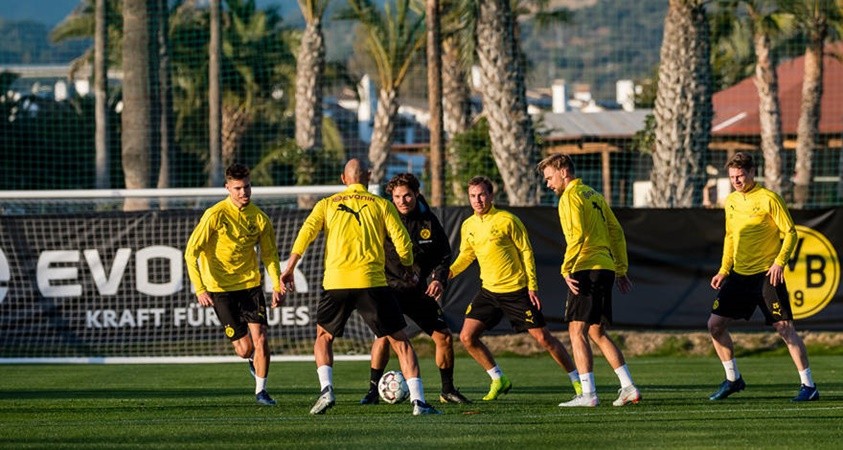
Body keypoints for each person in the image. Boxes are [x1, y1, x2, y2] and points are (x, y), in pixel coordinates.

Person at [280, 159, 441, 415]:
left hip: (336, 283)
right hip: (372, 283)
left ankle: (327, 390)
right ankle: (419, 402)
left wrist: (288, 268)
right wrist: (409, 268)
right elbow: (402, 243)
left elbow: (305, 233)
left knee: (324, 337)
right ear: (368, 175)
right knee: (401, 343)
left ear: (343, 179)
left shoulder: (326, 204)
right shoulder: (381, 205)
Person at [448, 176, 582, 402]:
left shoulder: (507, 220)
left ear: (491, 195)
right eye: (473, 196)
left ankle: (579, 381)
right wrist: (448, 273)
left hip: (516, 291)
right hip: (488, 292)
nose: (478, 200)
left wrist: (532, 286)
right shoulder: (468, 225)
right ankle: (498, 379)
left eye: (482, 194)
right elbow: (466, 255)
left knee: (544, 339)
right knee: (467, 337)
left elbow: (526, 252)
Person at [707, 152, 818, 402]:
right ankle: (733, 379)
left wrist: (780, 262)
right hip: (739, 275)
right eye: (732, 177)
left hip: (767, 275)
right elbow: (730, 237)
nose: (736, 181)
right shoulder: (731, 201)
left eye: (740, 176)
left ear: (752, 172)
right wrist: (724, 270)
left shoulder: (769, 198)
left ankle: (809, 386)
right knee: (714, 326)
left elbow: (790, 233)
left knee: (784, 328)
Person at [538, 154, 640, 408]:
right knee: (596, 331)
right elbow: (616, 231)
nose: (548, 184)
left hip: (585, 267)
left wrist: (566, 268)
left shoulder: (570, 197)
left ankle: (588, 394)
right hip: (604, 267)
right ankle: (628, 387)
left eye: (550, 177)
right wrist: (620, 268)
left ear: (563, 171)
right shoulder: (593, 194)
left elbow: (578, 235)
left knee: (576, 331)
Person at [359, 173, 470, 405]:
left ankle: (447, 390)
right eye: (397, 196)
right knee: (383, 336)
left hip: (417, 291)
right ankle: (371, 392)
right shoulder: (383, 216)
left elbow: (444, 254)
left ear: (416, 194)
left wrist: (439, 279)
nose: (402, 201)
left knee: (444, 337)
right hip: (388, 288)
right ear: (392, 197)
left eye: (407, 195)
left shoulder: (429, 221)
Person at [184, 163, 285, 406]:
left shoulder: (260, 218)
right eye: (238, 188)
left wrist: (277, 285)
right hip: (220, 289)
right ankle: (251, 360)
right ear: (228, 187)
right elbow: (191, 252)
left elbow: (270, 255)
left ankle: (261, 391)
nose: (244, 193)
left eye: (247, 187)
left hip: (250, 285)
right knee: (243, 348)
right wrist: (200, 288)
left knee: (260, 338)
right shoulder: (215, 214)